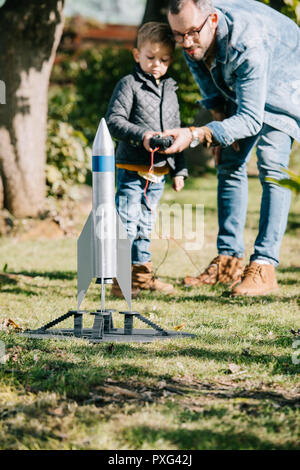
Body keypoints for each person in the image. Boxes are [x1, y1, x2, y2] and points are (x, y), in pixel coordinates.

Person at [162, 0, 300, 296]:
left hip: (286, 78)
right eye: (178, 35)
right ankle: (229, 261)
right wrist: (220, 128)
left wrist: (200, 134)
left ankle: (264, 266)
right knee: (228, 158)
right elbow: (208, 86)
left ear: (212, 20)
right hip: (244, 84)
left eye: (191, 33)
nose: (186, 42)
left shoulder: (246, 42)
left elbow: (251, 119)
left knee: (272, 163)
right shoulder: (192, 35)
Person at [106, 21, 188, 297]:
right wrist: (141, 135)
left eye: (164, 60)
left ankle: (141, 274)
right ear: (136, 55)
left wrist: (180, 170)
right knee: (128, 220)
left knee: (146, 223)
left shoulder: (171, 90)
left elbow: (178, 131)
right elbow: (114, 121)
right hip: (132, 168)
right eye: (150, 58)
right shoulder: (128, 85)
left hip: (159, 173)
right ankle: (121, 277)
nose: (156, 65)